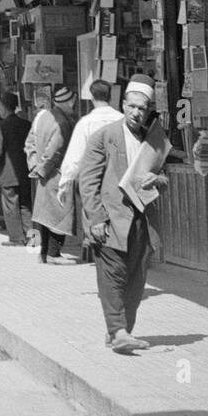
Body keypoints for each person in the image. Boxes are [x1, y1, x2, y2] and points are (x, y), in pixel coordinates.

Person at [80, 73, 169, 353]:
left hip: (141, 222)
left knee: (136, 279)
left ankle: (121, 331)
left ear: (148, 110)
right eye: (131, 106)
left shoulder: (152, 141)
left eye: (142, 108)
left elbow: (163, 177)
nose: (136, 113)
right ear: (123, 104)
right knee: (113, 276)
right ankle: (118, 330)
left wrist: (157, 181)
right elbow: (88, 182)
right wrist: (96, 219)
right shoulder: (103, 138)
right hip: (110, 220)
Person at [27, 85, 77, 264]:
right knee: (58, 214)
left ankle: (44, 254)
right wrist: (42, 169)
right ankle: (53, 254)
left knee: (45, 214)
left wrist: (33, 165)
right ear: (69, 102)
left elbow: (30, 142)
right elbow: (55, 151)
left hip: (42, 174)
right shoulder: (62, 122)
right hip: (55, 173)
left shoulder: (41, 117)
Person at [58, 78, 120, 210]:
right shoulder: (122, 119)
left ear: (91, 97)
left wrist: (64, 183)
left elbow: (75, 158)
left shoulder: (86, 123)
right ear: (110, 97)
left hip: (92, 183)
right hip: (118, 181)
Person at [0, 92, 32, 245]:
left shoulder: (0, 126)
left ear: (3, 108)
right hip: (25, 171)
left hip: (8, 173)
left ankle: (16, 238)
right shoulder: (26, 124)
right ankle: (32, 238)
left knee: (10, 205)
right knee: (26, 205)